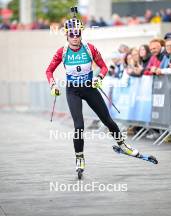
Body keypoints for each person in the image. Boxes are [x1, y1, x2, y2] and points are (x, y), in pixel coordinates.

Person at [46, 15, 139, 173]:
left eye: (78, 33)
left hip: (90, 88)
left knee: (107, 120)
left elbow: (103, 67)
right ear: (67, 35)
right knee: (79, 126)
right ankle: (80, 158)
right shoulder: (62, 51)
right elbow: (49, 71)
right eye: (72, 34)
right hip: (73, 90)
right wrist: (53, 85)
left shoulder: (90, 48)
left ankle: (123, 145)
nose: (75, 37)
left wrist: (99, 78)